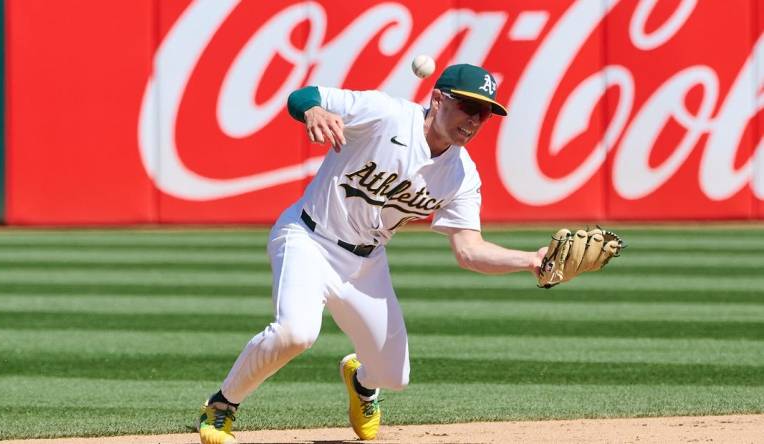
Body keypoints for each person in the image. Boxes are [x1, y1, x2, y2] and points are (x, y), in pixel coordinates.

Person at [196, 64, 549, 444]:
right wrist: (314, 111)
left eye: (484, 113)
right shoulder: (388, 115)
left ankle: (361, 384)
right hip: (309, 237)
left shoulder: (462, 174)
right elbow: (303, 96)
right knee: (296, 332)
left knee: (394, 378)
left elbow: (470, 250)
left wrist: (530, 260)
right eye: (467, 106)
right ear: (437, 99)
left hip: (367, 263)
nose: (475, 120)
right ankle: (222, 406)